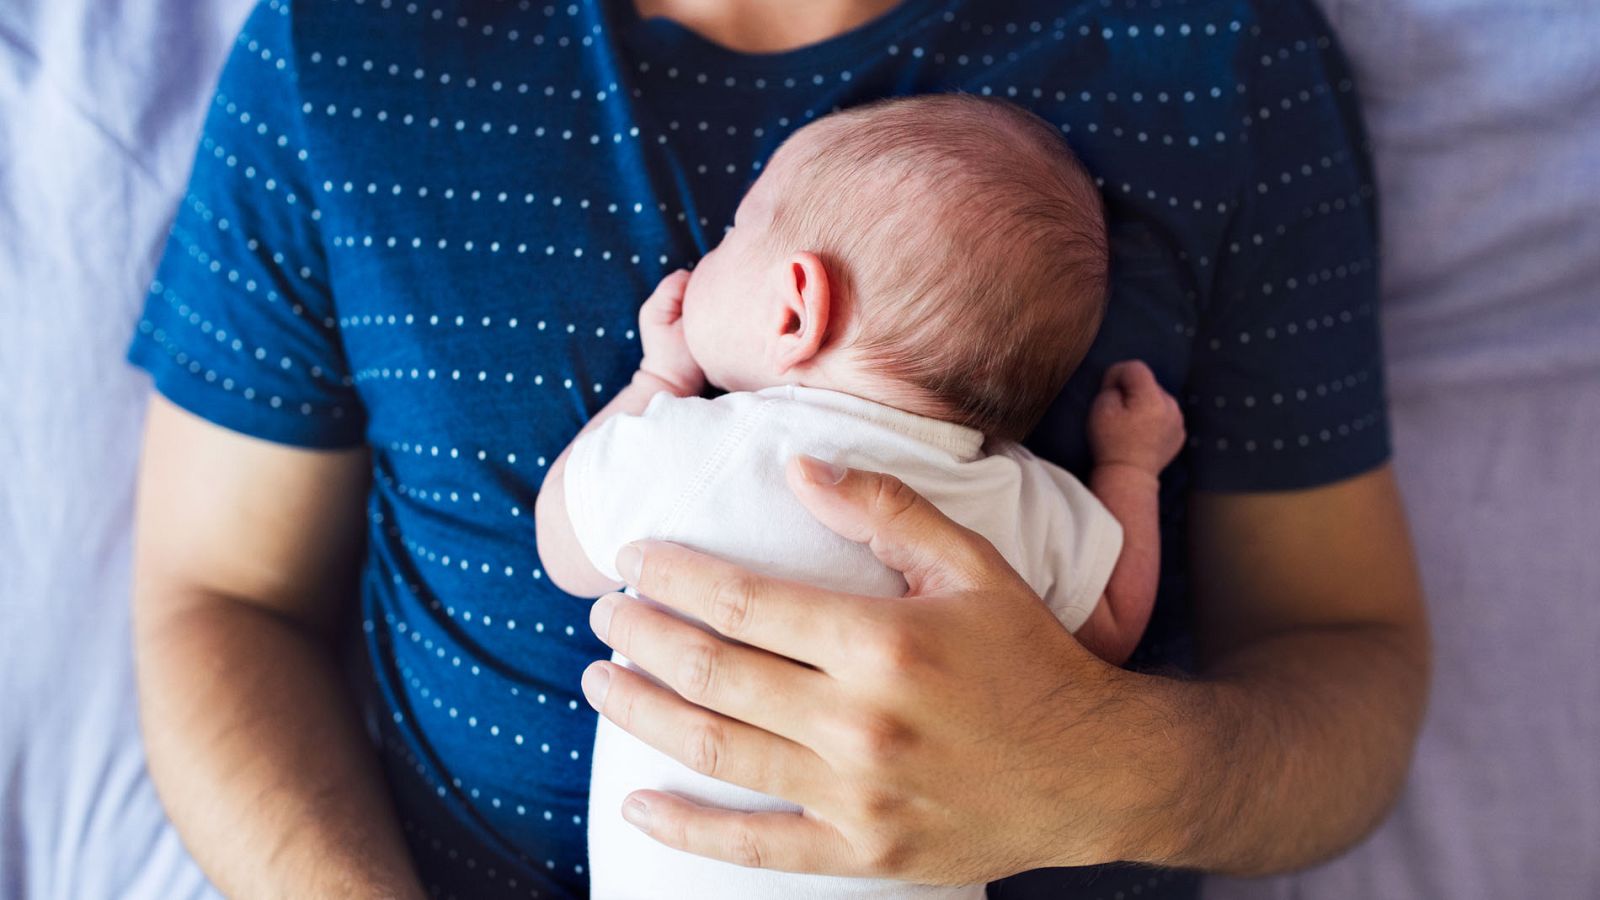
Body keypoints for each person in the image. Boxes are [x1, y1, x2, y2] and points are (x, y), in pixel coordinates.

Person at [126, 1, 1428, 898]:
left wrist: (1093, 772)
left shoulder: (1213, 48)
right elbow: (216, 599)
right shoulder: (345, 45)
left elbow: (1349, 660)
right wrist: (1127, 470)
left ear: (795, 302)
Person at [535, 94, 1185, 898]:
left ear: (796, 309)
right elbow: (1114, 624)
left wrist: (656, 380)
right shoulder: (1017, 500)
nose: (709, 253)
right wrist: (1130, 468)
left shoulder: (702, 447)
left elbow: (562, 546)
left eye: (734, 235)